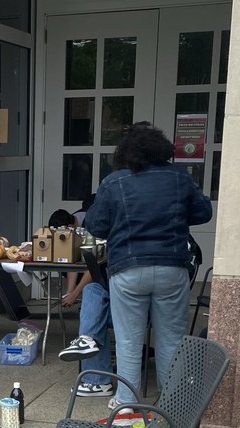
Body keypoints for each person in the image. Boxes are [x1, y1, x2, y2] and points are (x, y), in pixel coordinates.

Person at [84, 121, 212, 410]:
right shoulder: (180, 178)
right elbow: (203, 212)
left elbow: (96, 225)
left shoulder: (114, 182)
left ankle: (127, 401)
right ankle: (170, 403)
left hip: (128, 269)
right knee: (171, 339)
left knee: (129, 339)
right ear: (161, 149)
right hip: (172, 267)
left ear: (125, 153)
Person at [58, 278, 114, 397]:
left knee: (96, 316)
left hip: (137, 306)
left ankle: (98, 381)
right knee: (92, 288)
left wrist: (73, 294)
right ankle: (88, 340)